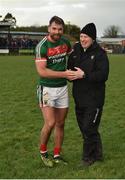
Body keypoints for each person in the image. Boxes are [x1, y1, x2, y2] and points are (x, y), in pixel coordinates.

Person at [35, 16, 75, 168]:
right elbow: (42, 72)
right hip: (46, 90)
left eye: (60, 29)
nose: (57, 32)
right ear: (48, 28)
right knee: (50, 122)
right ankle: (43, 152)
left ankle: (57, 154)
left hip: (62, 89)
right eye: (54, 28)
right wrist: (65, 74)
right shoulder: (42, 46)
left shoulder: (65, 43)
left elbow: (73, 57)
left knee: (60, 123)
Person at [67, 23, 109, 166]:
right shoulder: (76, 50)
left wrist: (84, 75)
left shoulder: (100, 54)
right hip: (79, 98)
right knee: (87, 129)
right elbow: (70, 68)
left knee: (88, 128)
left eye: (86, 37)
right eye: (81, 36)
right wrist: (70, 75)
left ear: (92, 38)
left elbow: (103, 75)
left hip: (94, 99)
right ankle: (97, 154)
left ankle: (87, 158)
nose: (83, 39)